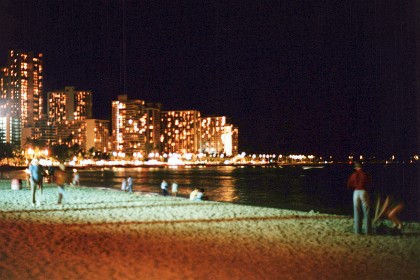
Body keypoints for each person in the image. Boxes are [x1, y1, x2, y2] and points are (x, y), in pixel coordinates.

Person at [347, 162, 372, 234]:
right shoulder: (365, 174)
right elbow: (369, 184)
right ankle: (368, 231)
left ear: (355, 167)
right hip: (363, 191)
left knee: (357, 211)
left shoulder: (353, 175)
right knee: (366, 212)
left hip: (356, 193)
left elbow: (349, 185)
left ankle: (357, 231)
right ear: (362, 167)